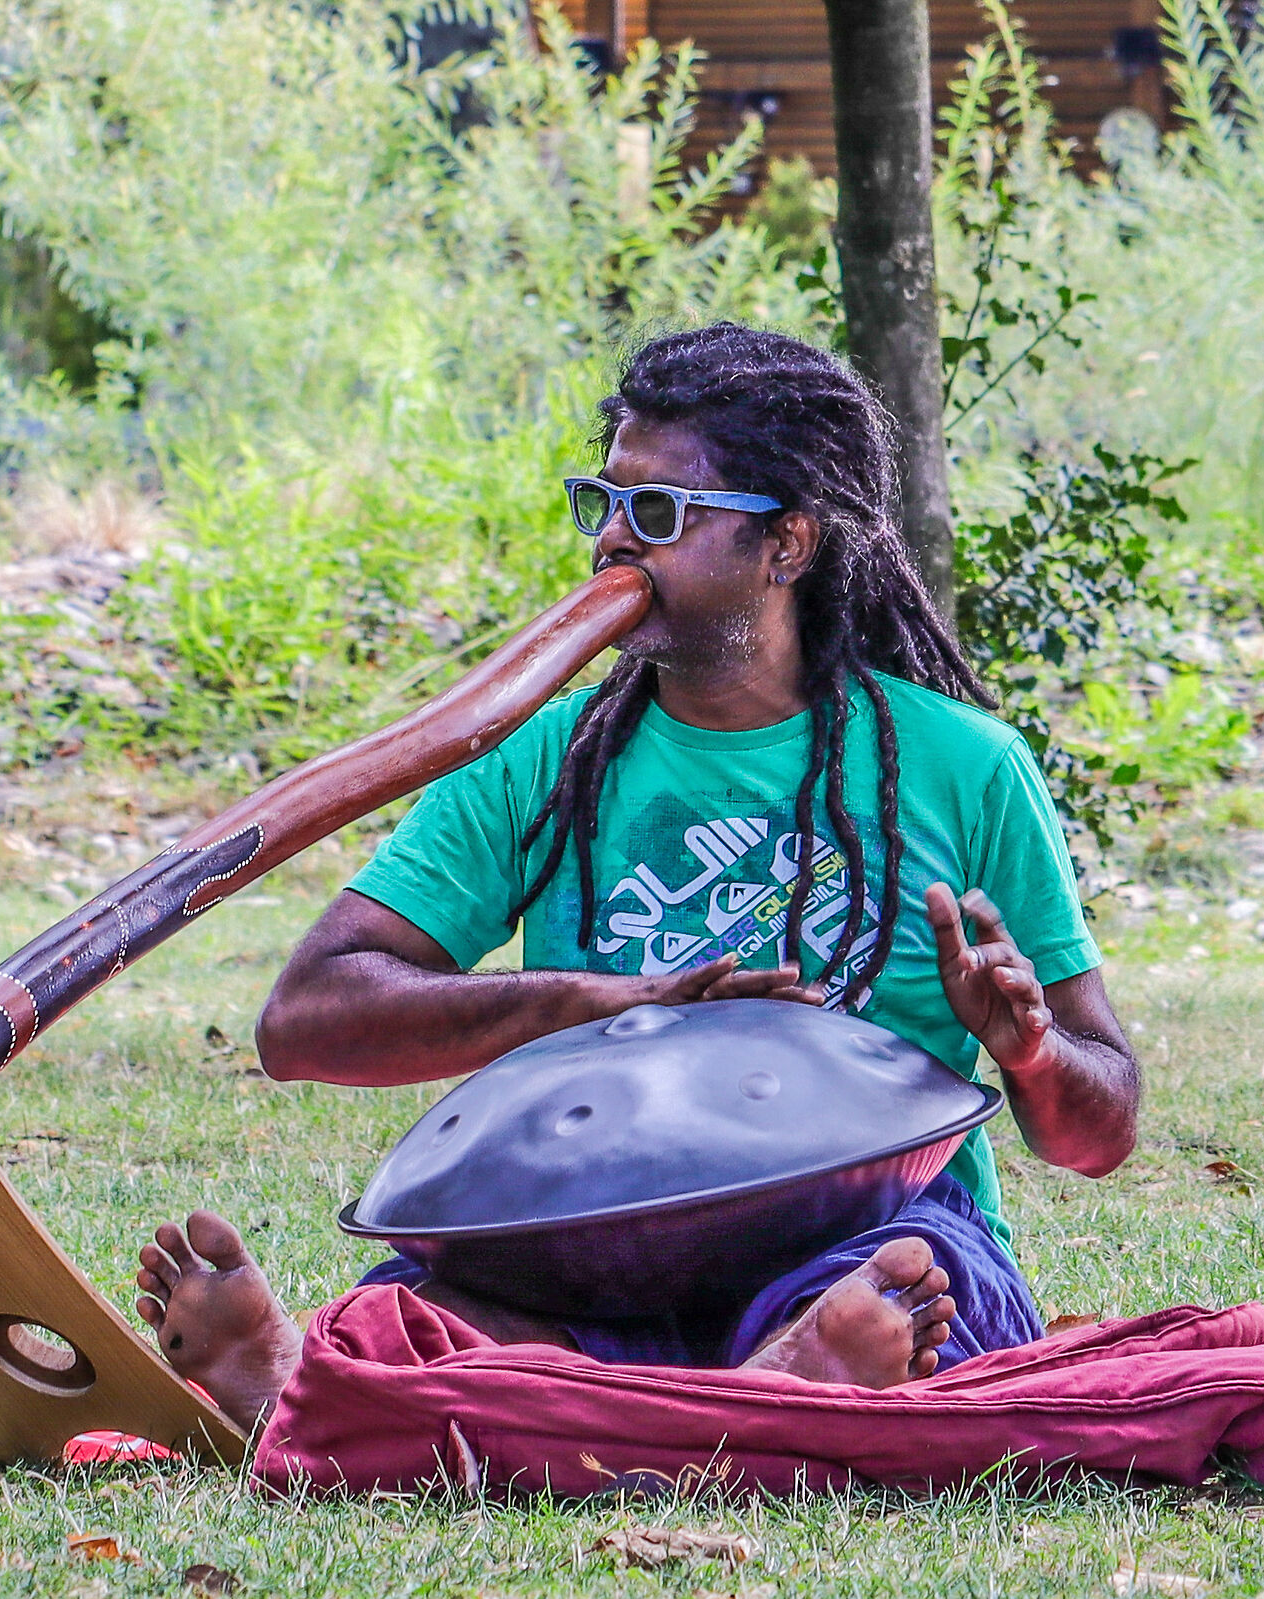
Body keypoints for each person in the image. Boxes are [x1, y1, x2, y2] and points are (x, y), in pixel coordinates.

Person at [132, 323, 1141, 1434]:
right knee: (434, 1313)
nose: (614, 544)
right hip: (596, 1238)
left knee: (912, 1290)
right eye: (604, 502)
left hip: (868, 1225)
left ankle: (789, 1360)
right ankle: (749, 1393)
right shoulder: (541, 754)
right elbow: (305, 1022)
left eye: (658, 516)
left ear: (787, 545)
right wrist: (590, 1003)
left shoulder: (966, 766)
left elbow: (1101, 1133)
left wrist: (1029, 1049)